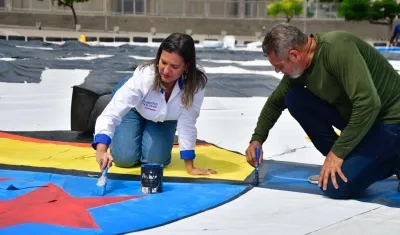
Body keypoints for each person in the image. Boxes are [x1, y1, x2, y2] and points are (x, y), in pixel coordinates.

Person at [245, 23, 400, 199]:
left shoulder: (337, 49)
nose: (278, 71)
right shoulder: (300, 67)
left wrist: (338, 153)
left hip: (390, 122)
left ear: (294, 55)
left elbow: (368, 104)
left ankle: (393, 160)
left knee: (335, 186)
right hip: (363, 121)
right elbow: (275, 102)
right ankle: (357, 161)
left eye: (279, 66)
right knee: (295, 98)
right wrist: (257, 139)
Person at [92, 32, 217, 176]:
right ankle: (122, 123)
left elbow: (187, 122)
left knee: (155, 161)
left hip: (164, 119)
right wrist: (101, 150)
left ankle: (146, 134)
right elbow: (112, 113)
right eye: (163, 62)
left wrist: (190, 167)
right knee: (124, 159)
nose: (166, 71)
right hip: (133, 109)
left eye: (174, 67)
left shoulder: (196, 84)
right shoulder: (145, 76)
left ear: (186, 66)